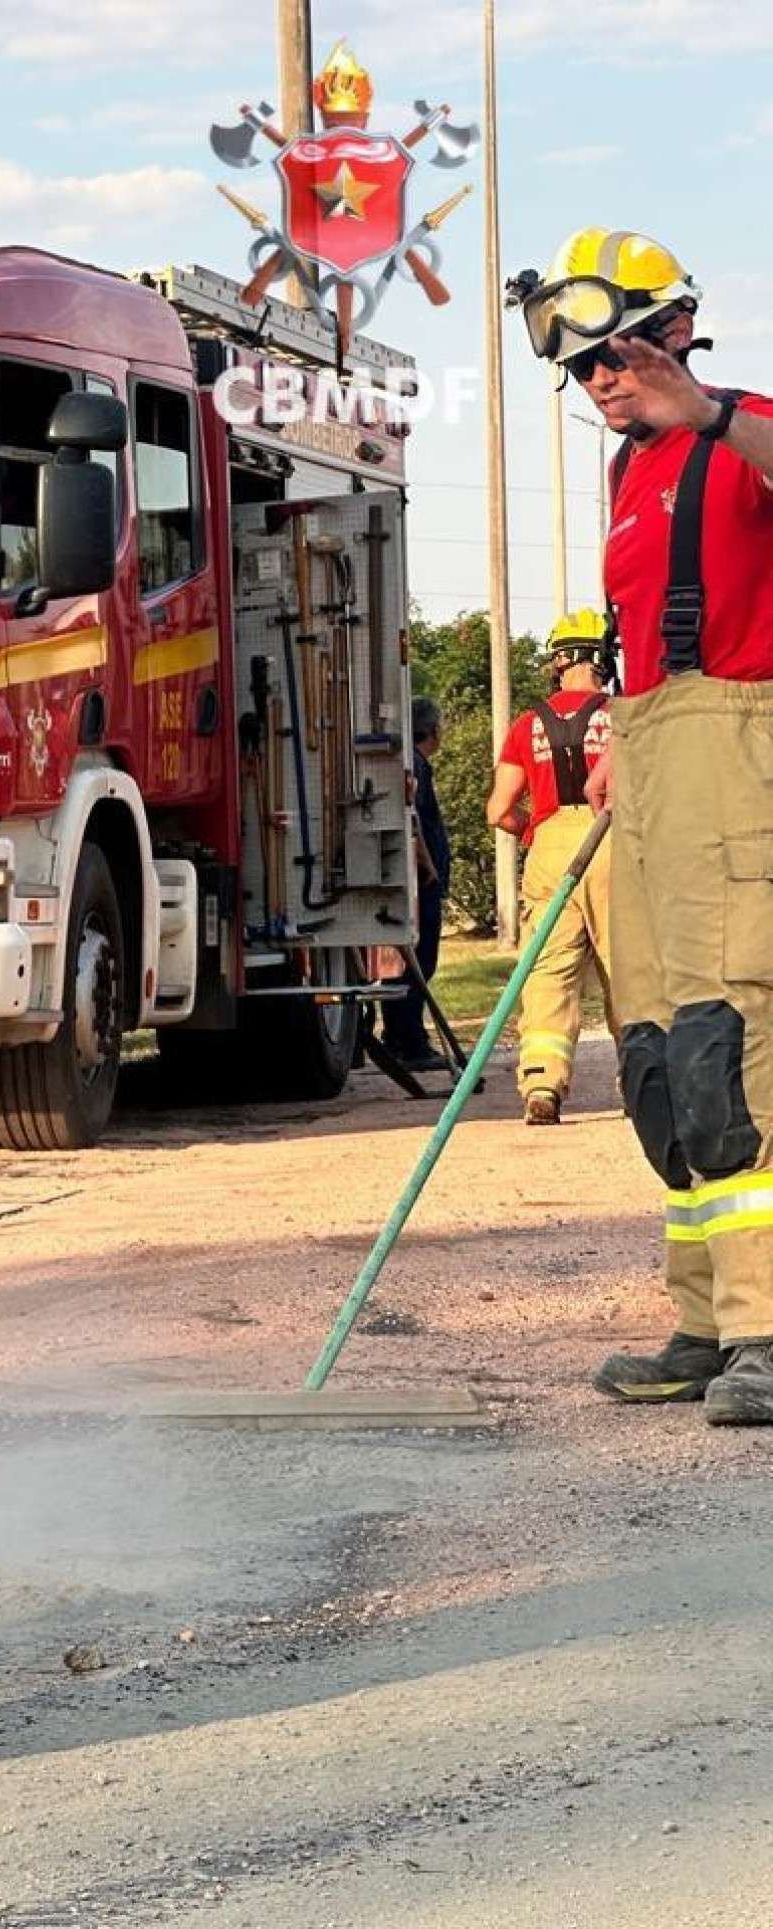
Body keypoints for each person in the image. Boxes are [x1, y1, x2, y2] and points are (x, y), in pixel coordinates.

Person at [511, 229, 773, 1423]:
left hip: (740, 747)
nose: (602, 383)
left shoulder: (736, 429)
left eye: (613, 355)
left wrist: (710, 412)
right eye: (581, 371)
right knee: (666, 1053)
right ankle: (710, 1322)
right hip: (657, 753)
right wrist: (617, 744)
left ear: (672, 332)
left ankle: (771, 1325)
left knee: (745, 1038)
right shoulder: (628, 472)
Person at [484, 613, 616, 1123]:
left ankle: (542, 1084)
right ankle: (642, 1082)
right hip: (613, 841)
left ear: (562, 659)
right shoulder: (623, 716)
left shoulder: (527, 724)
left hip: (550, 849)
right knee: (626, 969)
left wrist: (536, 832)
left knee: (547, 971)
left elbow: (498, 810)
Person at [381, 696, 454, 1073]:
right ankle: (408, 1041)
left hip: (416, 877)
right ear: (434, 730)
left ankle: (402, 1036)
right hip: (420, 880)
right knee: (419, 961)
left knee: (414, 961)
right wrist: (427, 863)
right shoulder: (417, 766)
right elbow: (414, 820)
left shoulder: (412, 762)